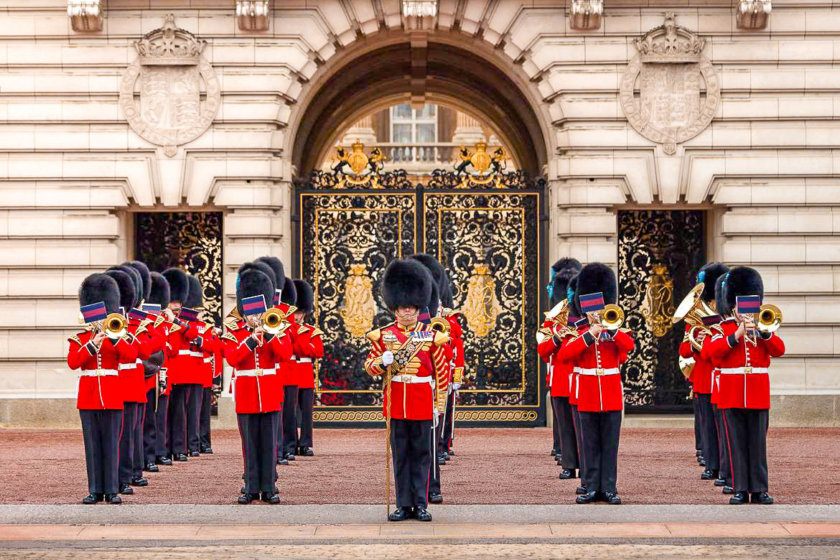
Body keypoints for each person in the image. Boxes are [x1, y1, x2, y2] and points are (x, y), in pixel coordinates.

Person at [364, 259, 450, 522]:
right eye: (403, 308)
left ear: (418, 307)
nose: (408, 312)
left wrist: (439, 405)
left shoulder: (431, 336)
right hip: (396, 404)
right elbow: (370, 367)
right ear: (395, 309)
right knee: (400, 457)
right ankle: (403, 504)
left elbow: (442, 372)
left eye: (412, 307)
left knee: (422, 457)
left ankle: (421, 504)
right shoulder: (383, 336)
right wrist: (382, 362)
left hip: (422, 403)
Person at [703, 267, 784, 505]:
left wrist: (763, 333)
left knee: (758, 444)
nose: (745, 312)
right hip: (732, 393)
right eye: (741, 307)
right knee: (735, 443)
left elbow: (779, 350)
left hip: (757, 392)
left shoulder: (764, 329)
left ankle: (759, 489)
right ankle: (739, 488)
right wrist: (737, 334)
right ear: (733, 306)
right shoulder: (723, 329)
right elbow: (710, 353)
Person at [556, 263, 634, 505]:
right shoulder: (577, 331)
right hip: (587, 394)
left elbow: (628, 347)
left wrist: (611, 330)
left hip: (610, 393)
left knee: (610, 445)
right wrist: (590, 334)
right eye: (592, 311)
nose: (596, 314)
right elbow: (565, 355)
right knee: (589, 444)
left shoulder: (614, 328)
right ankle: (590, 487)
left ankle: (609, 488)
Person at [223, 268, 293, 504]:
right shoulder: (234, 332)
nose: (255, 316)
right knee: (249, 443)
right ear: (244, 312)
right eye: (250, 312)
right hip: (246, 392)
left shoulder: (277, 328)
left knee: (269, 441)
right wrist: (251, 340)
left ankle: (270, 487)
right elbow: (232, 358)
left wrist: (270, 335)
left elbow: (284, 355)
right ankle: (251, 487)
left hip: (270, 391)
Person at [68, 273, 138, 504]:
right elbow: (73, 362)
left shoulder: (116, 335)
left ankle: (111, 490)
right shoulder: (79, 339)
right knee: (92, 446)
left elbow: (130, 356)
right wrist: (91, 344)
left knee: (111, 444)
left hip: (111, 396)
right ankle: (95, 490)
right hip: (88, 399)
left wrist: (114, 338)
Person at [537, 258, 583, 480]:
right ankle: (568, 464)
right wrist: (557, 337)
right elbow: (543, 350)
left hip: (580, 380)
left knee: (582, 428)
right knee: (564, 427)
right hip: (561, 381)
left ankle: (584, 464)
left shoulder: (585, 320)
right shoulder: (553, 321)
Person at [291, 279, 324, 456]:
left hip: (304, 375)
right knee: (290, 412)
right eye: (295, 312)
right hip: (290, 374)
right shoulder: (287, 329)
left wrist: (300, 343)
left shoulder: (312, 331)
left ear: (304, 313)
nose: (297, 316)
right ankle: (291, 442)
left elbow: (318, 351)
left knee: (306, 413)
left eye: (299, 313)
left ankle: (305, 443)